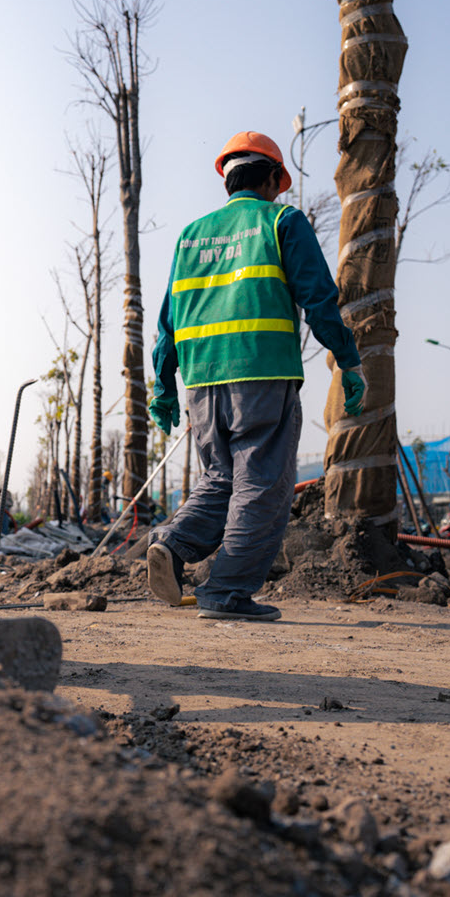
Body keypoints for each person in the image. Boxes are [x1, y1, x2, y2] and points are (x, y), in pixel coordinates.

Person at [146, 131, 365, 621]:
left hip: (201, 379)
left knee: (221, 477)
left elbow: (168, 319)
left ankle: (173, 545)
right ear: (271, 178)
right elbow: (319, 300)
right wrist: (348, 360)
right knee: (262, 484)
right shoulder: (282, 220)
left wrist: (163, 384)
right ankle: (225, 593)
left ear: (227, 180)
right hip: (261, 372)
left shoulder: (192, 235)